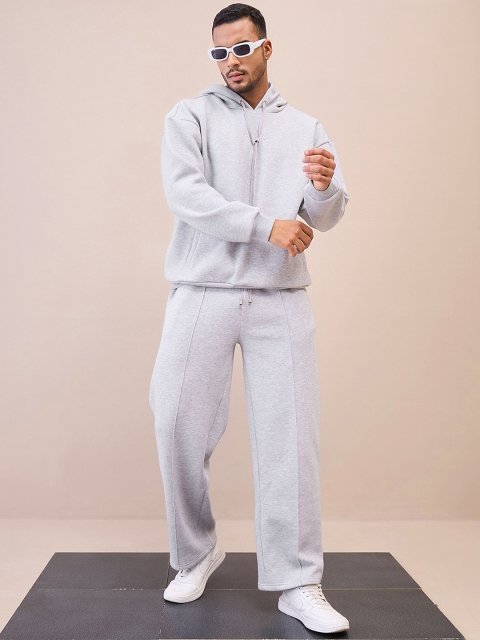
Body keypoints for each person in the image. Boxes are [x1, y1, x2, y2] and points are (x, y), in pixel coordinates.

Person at [148, 3, 350, 634]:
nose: (230, 61)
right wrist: (267, 225)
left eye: (241, 48)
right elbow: (187, 195)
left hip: (279, 297)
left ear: (266, 47)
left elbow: (326, 215)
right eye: (219, 52)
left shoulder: (307, 126)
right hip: (202, 288)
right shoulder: (190, 116)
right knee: (176, 421)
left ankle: (298, 581)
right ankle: (195, 553)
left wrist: (323, 188)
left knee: (291, 439)